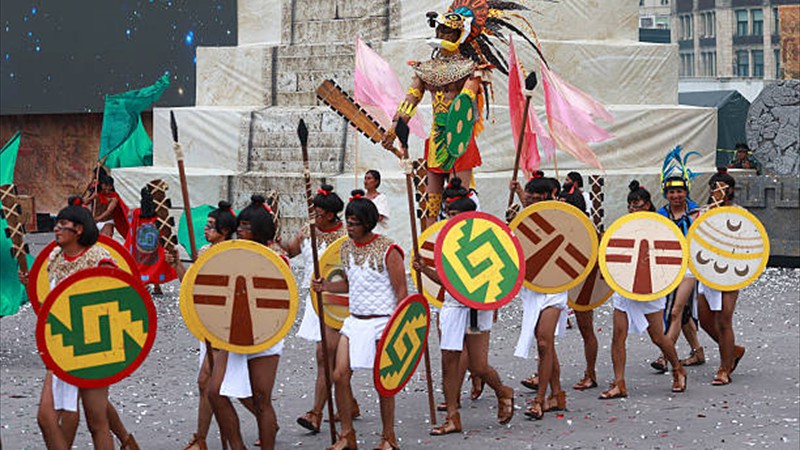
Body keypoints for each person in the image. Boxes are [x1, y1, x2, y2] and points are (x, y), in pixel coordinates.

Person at [381, 0, 545, 228]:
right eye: (439, 29)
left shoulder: (472, 69)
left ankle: (464, 239)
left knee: (461, 197)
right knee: (432, 200)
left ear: (459, 34)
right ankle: (430, 246)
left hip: (459, 138)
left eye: (447, 30)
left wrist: (466, 96)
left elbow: (464, 103)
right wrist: (394, 127)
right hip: (436, 138)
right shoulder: (424, 69)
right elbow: (410, 100)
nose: (441, 34)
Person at [19, 197, 138, 450]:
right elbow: (51, 303)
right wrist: (28, 285)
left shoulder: (99, 257)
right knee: (46, 416)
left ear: (79, 229)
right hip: (62, 346)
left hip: (94, 348)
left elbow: (117, 295)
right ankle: (126, 441)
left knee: (97, 422)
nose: (56, 229)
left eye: (63, 224)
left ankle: (126, 441)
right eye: (57, 224)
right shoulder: (54, 257)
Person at [412, 178, 514, 436]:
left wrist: (494, 302)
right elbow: (448, 279)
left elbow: (498, 277)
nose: (451, 218)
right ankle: (452, 417)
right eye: (450, 214)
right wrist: (423, 269)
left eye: (456, 214)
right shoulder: (446, 240)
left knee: (478, 366)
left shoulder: (486, 238)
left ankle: (503, 391)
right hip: (452, 307)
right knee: (449, 361)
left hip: (477, 308)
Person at [312, 190, 407, 450]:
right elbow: (351, 284)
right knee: (340, 375)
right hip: (355, 322)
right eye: (348, 222)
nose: (349, 227)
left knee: (384, 383)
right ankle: (346, 434)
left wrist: (397, 329)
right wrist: (326, 288)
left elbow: (401, 293)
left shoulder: (389, 249)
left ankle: (388, 437)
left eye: (354, 223)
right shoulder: (345, 248)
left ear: (367, 223)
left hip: (382, 323)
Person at [205, 195, 285, 450]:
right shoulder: (231, 253)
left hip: (265, 334)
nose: (240, 231)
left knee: (261, 400)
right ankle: (237, 446)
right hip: (232, 332)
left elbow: (278, 300)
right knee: (215, 392)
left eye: (247, 227)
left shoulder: (277, 260)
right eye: (240, 226)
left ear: (260, 230)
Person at [279, 184, 357, 433]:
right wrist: (274, 236)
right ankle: (350, 403)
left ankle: (316, 413)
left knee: (326, 357)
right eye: (315, 212)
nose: (316, 217)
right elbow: (289, 252)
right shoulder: (307, 231)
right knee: (329, 358)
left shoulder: (346, 237)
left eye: (321, 213)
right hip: (315, 301)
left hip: (338, 302)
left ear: (333, 215)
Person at [598, 181, 687, 399]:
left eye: (637, 205)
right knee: (617, 335)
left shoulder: (660, 226)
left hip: (650, 287)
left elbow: (670, 256)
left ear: (647, 205)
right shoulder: (622, 226)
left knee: (657, 336)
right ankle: (619, 382)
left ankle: (677, 368)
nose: (632, 209)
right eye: (630, 205)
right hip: (624, 286)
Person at [169, 201, 238, 450]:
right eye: (207, 226)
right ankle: (202, 439)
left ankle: (262, 421)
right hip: (206, 325)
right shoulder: (206, 250)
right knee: (207, 385)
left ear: (225, 231)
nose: (206, 230)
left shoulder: (234, 254)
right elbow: (190, 287)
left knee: (212, 384)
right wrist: (177, 263)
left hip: (225, 327)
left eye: (211, 227)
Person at [509, 175, 569, 420]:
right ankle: (557, 394)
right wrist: (518, 191)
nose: (528, 201)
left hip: (555, 285)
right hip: (533, 287)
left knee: (544, 343)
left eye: (533, 198)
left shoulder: (562, 215)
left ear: (546, 196)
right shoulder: (530, 216)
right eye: (528, 197)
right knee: (546, 345)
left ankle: (539, 400)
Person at [650, 173, 707, 373]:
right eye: (672, 191)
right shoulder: (660, 215)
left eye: (680, 191)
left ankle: (665, 355)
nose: (676, 195)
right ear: (666, 193)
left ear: (686, 192)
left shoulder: (697, 214)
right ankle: (698, 351)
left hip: (690, 267)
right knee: (683, 315)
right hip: (667, 267)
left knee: (675, 310)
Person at [695, 168, 747, 385]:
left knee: (725, 320)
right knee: (706, 321)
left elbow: (748, 243)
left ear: (730, 190)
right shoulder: (703, 213)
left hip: (730, 272)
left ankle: (724, 369)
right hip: (706, 272)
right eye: (713, 188)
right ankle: (733, 350)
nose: (716, 192)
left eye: (721, 188)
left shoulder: (739, 214)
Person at [557, 180, 600, 392]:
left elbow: (596, 258)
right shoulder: (555, 224)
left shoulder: (587, 228)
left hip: (582, 284)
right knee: (543, 333)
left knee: (586, 328)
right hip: (557, 283)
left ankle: (590, 373)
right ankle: (543, 374)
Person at [125, 186, 176, 292]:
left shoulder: (136, 213)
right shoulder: (159, 215)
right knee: (156, 264)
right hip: (154, 245)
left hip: (140, 244)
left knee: (141, 264)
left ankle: (143, 284)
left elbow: (130, 223)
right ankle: (157, 286)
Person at [85, 172, 129, 239]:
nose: (108, 188)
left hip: (107, 222)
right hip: (93, 221)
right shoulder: (95, 193)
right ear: (102, 185)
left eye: (110, 186)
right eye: (106, 185)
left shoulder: (114, 197)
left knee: (105, 239)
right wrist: (91, 197)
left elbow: (109, 211)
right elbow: (83, 203)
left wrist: (97, 219)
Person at [364, 170, 390, 234]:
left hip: (377, 232)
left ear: (376, 181)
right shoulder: (361, 198)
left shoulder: (381, 198)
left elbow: (379, 217)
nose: (365, 181)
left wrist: (362, 216)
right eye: (365, 178)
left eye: (369, 178)